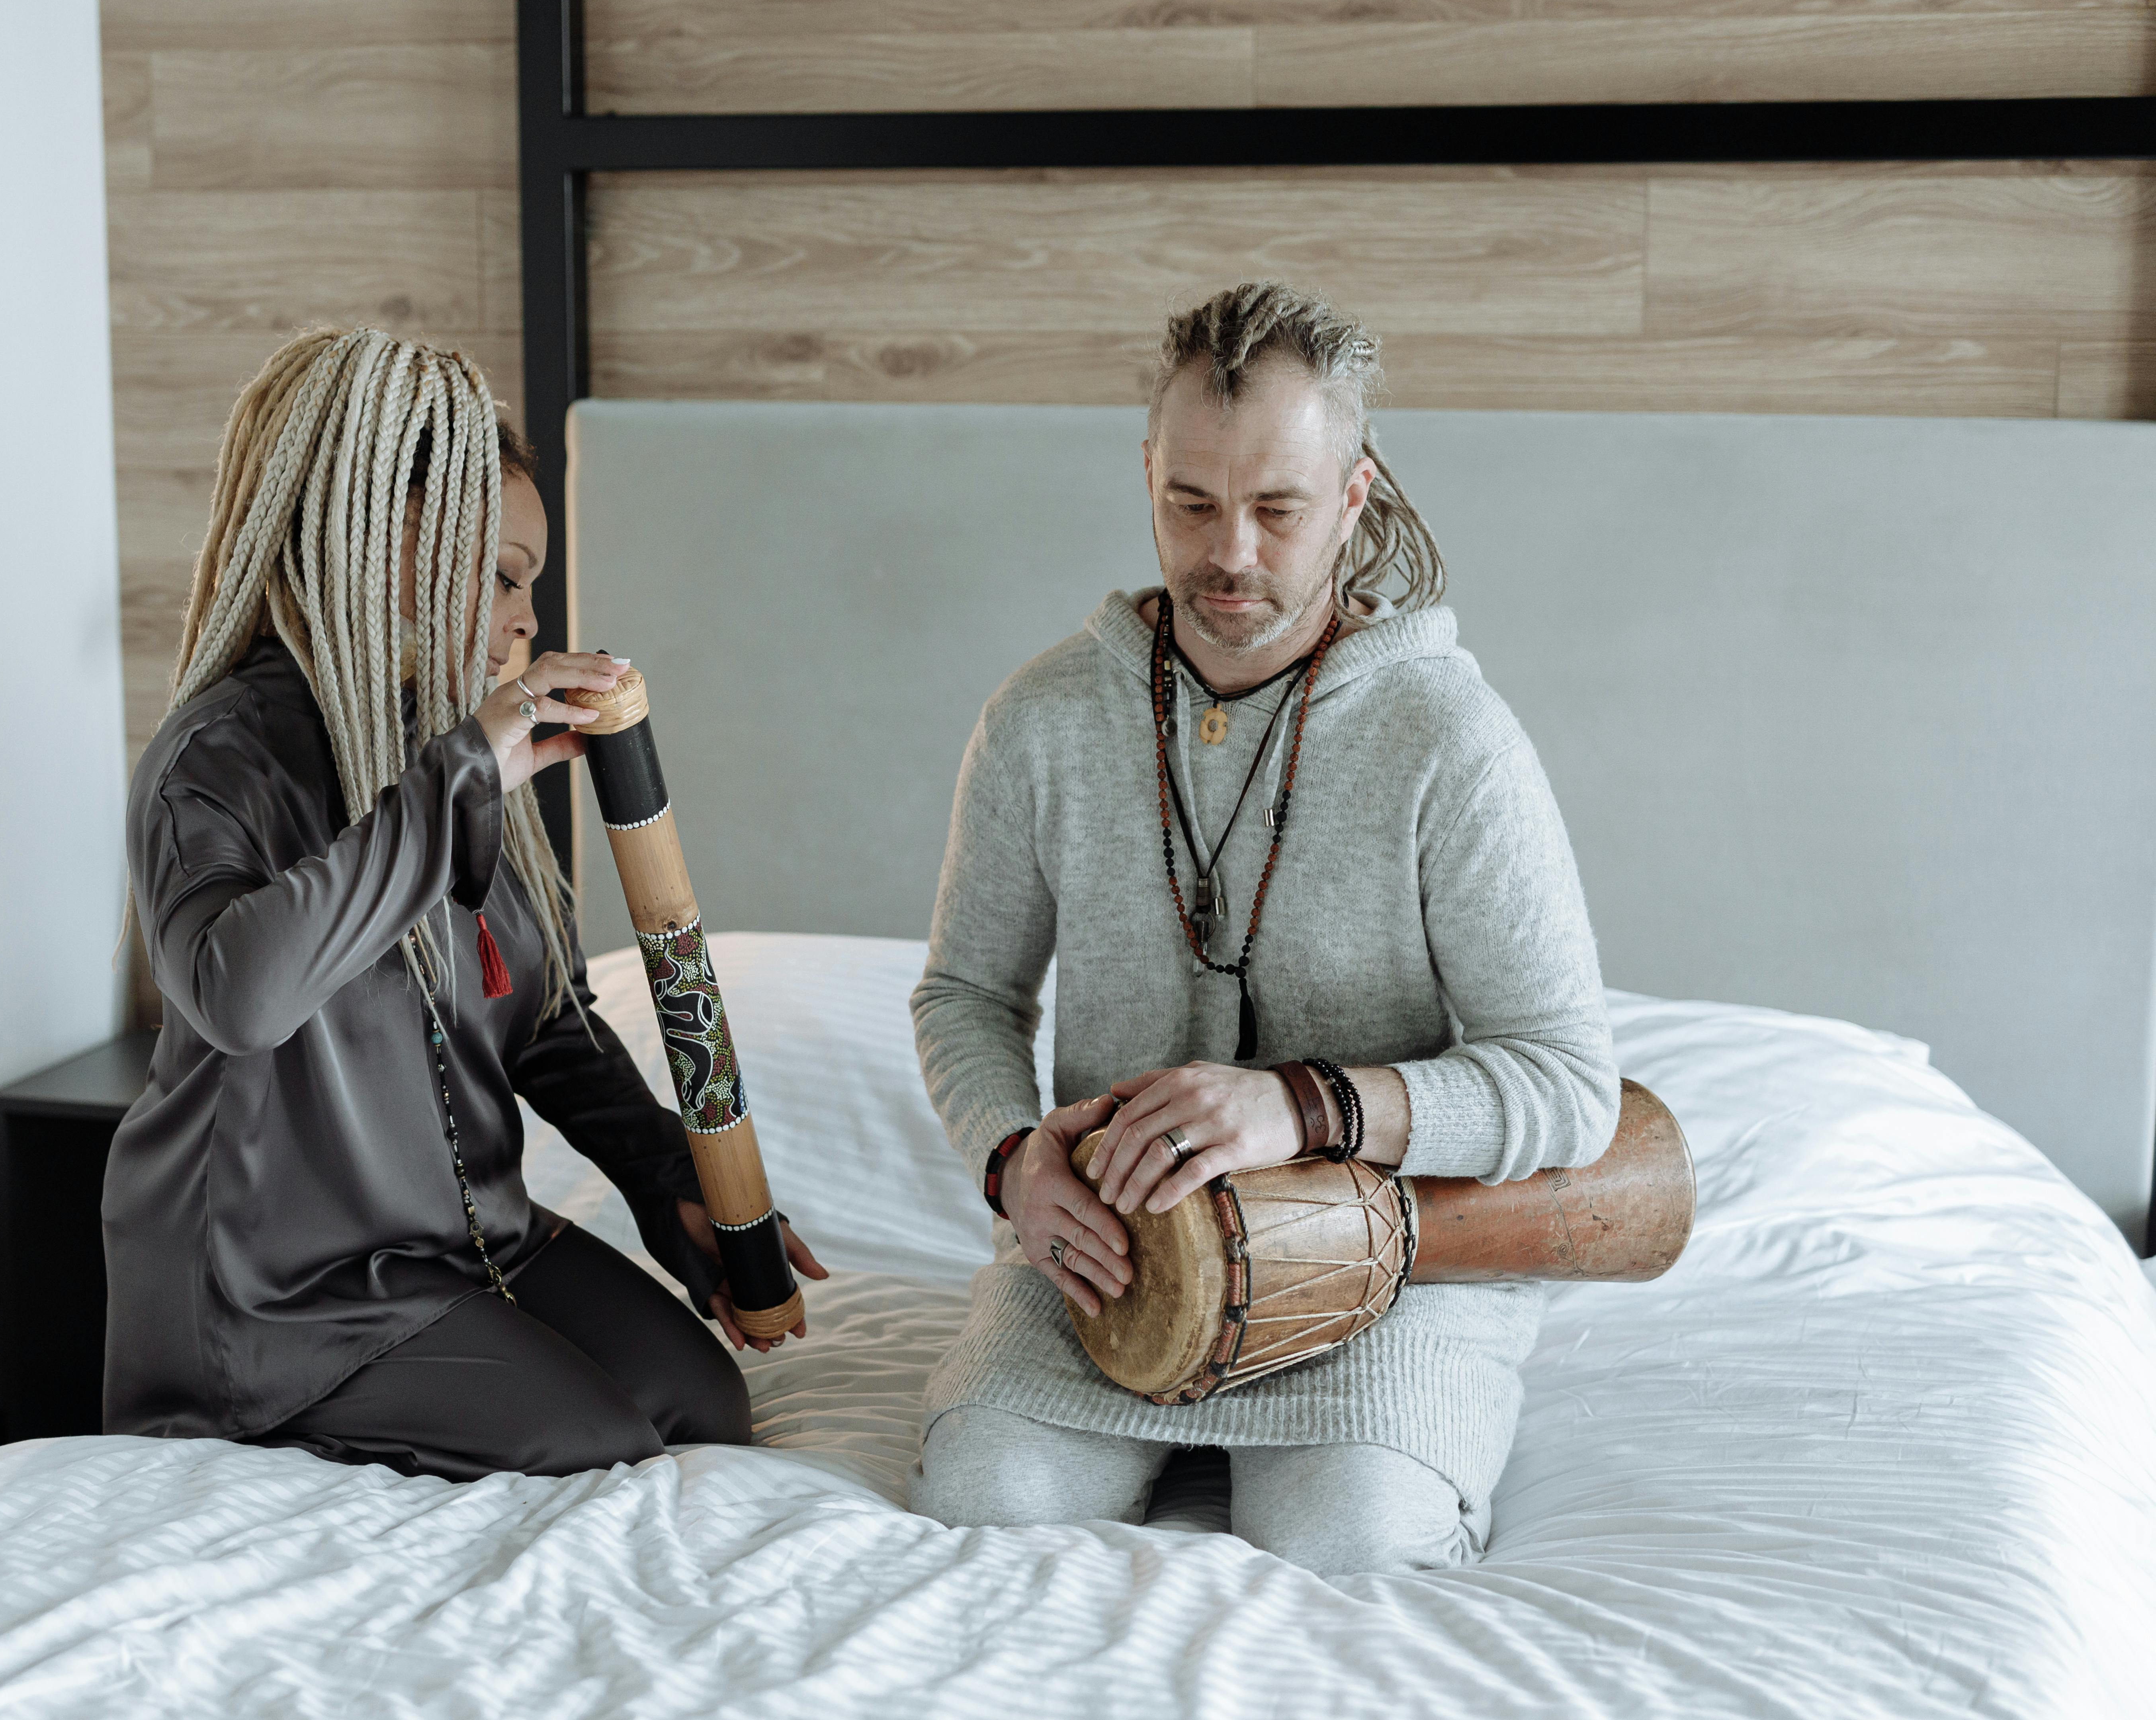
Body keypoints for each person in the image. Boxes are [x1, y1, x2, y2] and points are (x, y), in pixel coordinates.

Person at [905, 282, 1617, 1572]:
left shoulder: (1452, 741)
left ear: (1352, 497)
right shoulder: (1041, 720)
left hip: (1391, 1279)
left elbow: (1568, 1083)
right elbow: (963, 995)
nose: (1230, 552)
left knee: (1347, 1545)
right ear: (1147, 476)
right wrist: (1014, 1161)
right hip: (1110, 1266)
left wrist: (1302, 1108)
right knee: (983, 1510)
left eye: (1278, 508)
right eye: (1191, 502)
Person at [104, 327, 825, 1481]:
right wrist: (469, 771)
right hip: (286, 1293)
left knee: (701, 1408)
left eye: (530, 587)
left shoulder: (440, 755)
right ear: (382, 542)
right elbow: (244, 993)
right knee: (595, 1445)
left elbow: (539, 1016)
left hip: (462, 1246)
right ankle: (252, 1409)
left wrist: (666, 1179)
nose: (525, 620)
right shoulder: (216, 760)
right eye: (502, 576)